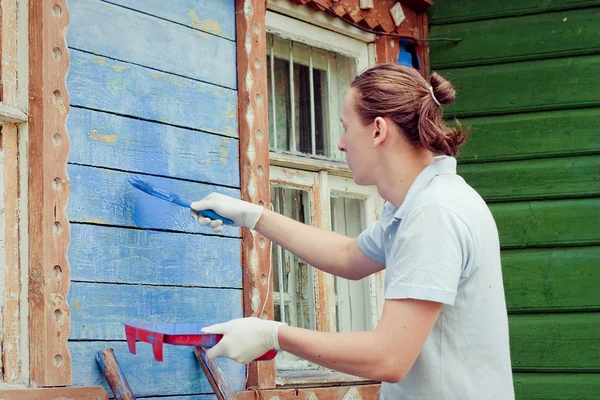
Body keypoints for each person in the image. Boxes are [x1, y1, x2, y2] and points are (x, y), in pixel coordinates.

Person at [190, 64, 514, 399]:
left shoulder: (435, 213)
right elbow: (348, 256)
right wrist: (252, 215)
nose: (341, 144)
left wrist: (274, 335)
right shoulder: (419, 203)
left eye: (345, 128)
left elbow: (389, 356)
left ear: (377, 131)